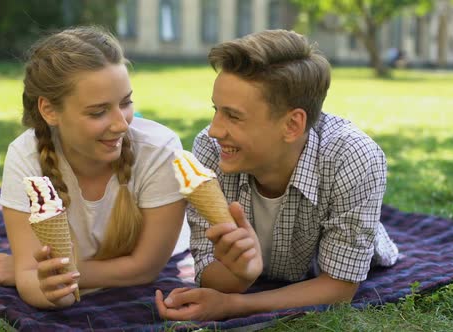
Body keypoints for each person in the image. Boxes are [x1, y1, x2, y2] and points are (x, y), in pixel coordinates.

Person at [156, 29, 398, 321]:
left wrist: (235, 306)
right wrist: (240, 273)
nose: (215, 130)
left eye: (233, 116)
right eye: (216, 110)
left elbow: (339, 286)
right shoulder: (210, 148)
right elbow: (210, 274)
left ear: (292, 125)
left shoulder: (354, 158)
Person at [0, 26, 188, 309]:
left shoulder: (159, 151)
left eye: (126, 103)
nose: (122, 124)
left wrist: (35, 271)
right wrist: (48, 291)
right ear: (49, 110)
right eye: (98, 111)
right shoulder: (25, 156)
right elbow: (33, 279)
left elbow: (145, 268)